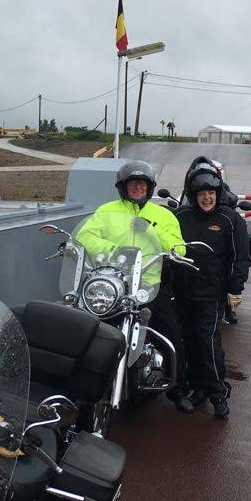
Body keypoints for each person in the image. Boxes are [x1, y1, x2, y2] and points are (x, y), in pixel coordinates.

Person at [75, 161, 187, 405]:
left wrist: (150, 229)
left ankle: (177, 389)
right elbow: (84, 236)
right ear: (122, 187)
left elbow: (179, 247)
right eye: (132, 183)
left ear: (150, 187)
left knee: (171, 331)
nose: (138, 187)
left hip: (148, 284)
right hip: (112, 282)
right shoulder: (107, 210)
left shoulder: (163, 215)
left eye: (142, 183)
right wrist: (114, 250)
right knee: (86, 324)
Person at [171, 171, 250, 419]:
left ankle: (218, 394)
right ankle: (198, 386)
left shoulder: (229, 219)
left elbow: (240, 257)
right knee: (188, 341)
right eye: (202, 193)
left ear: (218, 194)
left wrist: (235, 288)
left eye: (211, 193)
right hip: (183, 291)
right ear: (193, 195)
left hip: (212, 294)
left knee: (208, 343)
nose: (207, 198)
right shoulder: (180, 216)